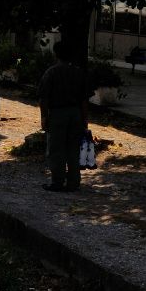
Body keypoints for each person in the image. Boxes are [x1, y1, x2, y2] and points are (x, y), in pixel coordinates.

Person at [37, 40, 89, 191]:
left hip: (57, 113)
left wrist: (43, 116)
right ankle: (74, 182)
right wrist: (85, 118)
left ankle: (57, 181)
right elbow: (85, 99)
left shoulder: (51, 72)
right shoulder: (78, 72)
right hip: (76, 113)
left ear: (55, 56)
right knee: (73, 148)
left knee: (56, 148)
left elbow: (43, 98)